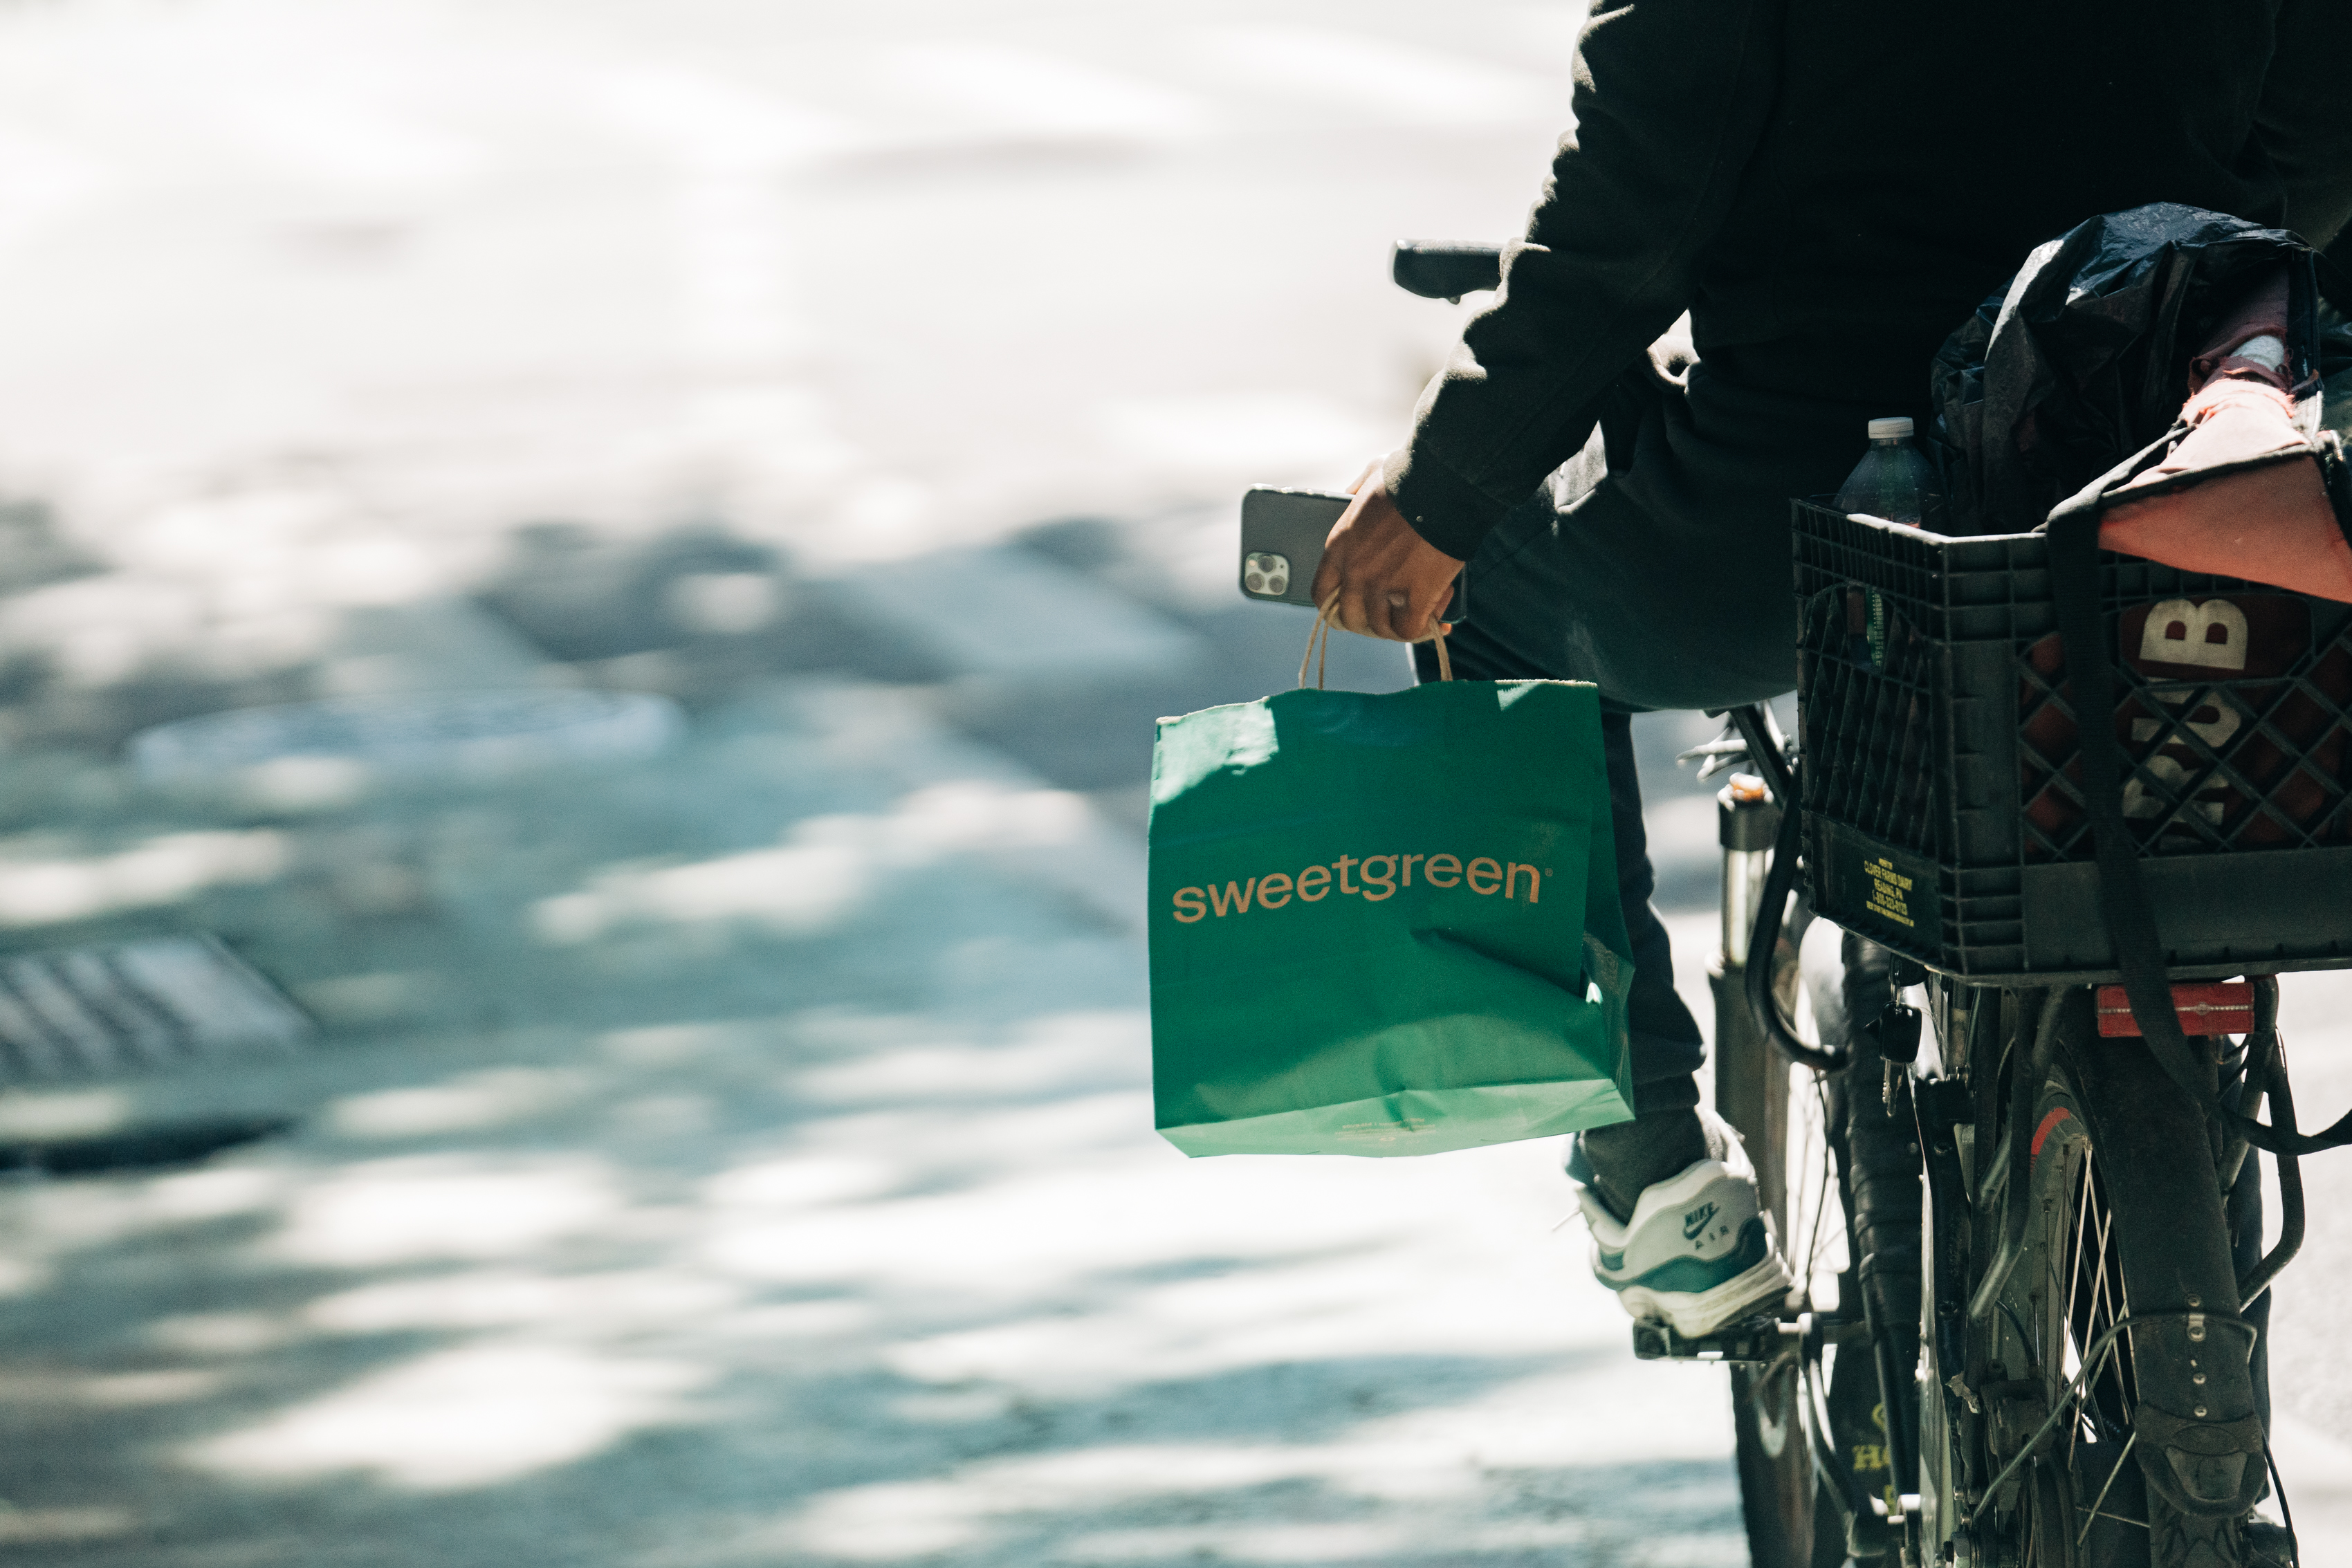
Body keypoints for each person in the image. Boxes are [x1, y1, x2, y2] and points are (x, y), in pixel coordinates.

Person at [1312, 0, 2352, 1339]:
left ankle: (1646, 1175)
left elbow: (1630, 225)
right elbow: (2318, 133)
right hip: (2155, 468)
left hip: (1805, 509)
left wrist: (1439, 493)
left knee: (1485, 609)